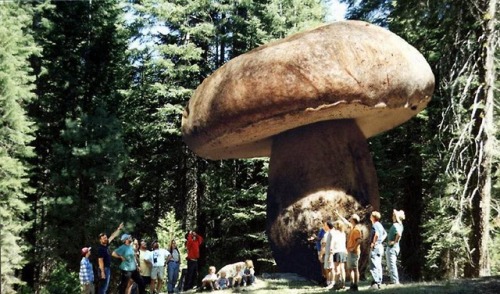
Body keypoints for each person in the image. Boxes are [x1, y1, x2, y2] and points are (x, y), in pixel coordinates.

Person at [336, 212, 363, 292]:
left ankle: (355, 286)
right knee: (350, 269)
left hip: (354, 252)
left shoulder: (356, 230)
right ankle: (352, 285)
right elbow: (346, 222)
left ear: (353, 220)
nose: (349, 219)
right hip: (351, 252)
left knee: (354, 269)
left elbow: (359, 240)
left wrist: (353, 248)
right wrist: (338, 214)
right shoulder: (352, 227)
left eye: (351, 218)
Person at [97, 222, 123, 294]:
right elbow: (100, 261)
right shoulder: (101, 249)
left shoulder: (106, 245)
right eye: (103, 238)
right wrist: (102, 272)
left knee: (105, 288)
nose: (105, 239)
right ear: (100, 240)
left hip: (107, 268)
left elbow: (112, 236)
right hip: (104, 269)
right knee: (103, 288)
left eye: (105, 237)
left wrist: (119, 229)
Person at [386, 209, 405, 285]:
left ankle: (395, 281)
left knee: (391, 264)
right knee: (391, 264)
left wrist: (394, 241)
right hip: (395, 247)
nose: (392, 217)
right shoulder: (400, 225)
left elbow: (399, 234)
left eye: (393, 216)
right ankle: (393, 280)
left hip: (392, 247)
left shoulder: (395, 225)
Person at [369, 211, 387, 290]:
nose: (370, 217)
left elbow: (376, 234)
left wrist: (374, 242)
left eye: (371, 216)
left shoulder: (375, 225)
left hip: (376, 247)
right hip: (380, 247)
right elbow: (385, 234)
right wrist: (380, 241)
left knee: (373, 265)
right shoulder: (380, 225)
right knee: (378, 264)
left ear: (373, 217)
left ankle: (375, 283)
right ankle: (379, 282)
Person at [331, 221, 347, 290]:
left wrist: (331, 250)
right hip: (343, 251)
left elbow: (333, 242)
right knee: (342, 268)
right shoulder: (343, 233)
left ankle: (337, 283)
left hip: (337, 251)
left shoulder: (335, 233)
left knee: (336, 268)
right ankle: (343, 283)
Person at [321, 220, 335, 289]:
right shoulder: (330, 233)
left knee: (330, 268)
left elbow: (325, 244)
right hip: (328, 253)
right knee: (328, 268)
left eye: (325, 225)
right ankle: (329, 282)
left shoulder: (330, 233)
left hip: (329, 253)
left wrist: (330, 254)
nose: (324, 226)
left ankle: (331, 282)